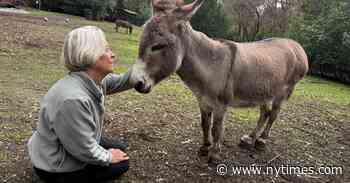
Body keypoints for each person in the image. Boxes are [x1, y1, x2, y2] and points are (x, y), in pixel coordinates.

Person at [27, 26, 135, 183]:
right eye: (106, 49)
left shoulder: (92, 81)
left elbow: (122, 81)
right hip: (55, 166)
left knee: (120, 148)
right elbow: (85, 150)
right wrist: (109, 156)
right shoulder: (73, 99)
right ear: (89, 54)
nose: (113, 54)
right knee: (122, 164)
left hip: (67, 142)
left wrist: (148, 67)